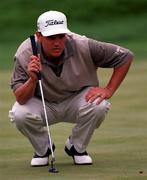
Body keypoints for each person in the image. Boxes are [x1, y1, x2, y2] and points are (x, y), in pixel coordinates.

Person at [9, 10, 133, 167]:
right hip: (43, 103)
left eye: (61, 36)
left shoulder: (83, 45)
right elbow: (20, 98)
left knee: (99, 105)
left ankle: (76, 147)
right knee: (19, 114)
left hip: (77, 99)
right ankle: (43, 150)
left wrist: (109, 89)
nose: (57, 42)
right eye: (51, 37)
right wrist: (32, 80)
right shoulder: (25, 53)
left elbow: (125, 56)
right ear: (39, 36)